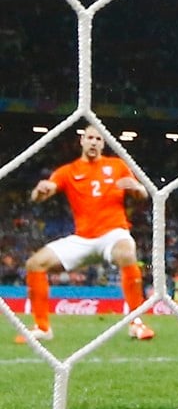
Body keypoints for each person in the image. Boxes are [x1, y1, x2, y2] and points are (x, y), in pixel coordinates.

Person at [15, 125, 155, 342]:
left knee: (127, 254)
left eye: (98, 139)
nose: (93, 142)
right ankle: (42, 328)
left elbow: (143, 194)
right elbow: (41, 194)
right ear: (82, 141)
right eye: (89, 137)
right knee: (35, 263)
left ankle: (136, 323)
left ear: (103, 143)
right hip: (82, 239)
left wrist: (137, 189)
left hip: (113, 234)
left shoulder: (117, 165)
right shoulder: (68, 171)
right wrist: (38, 191)